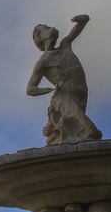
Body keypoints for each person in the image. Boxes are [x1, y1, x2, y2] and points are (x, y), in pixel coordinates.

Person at [26, 14, 102, 146]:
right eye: (45, 28)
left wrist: (81, 21)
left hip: (80, 93)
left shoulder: (65, 45)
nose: (50, 29)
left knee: (75, 133)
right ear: (40, 37)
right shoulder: (43, 61)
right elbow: (30, 89)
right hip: (64, 98)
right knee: (90, 132)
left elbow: (81, 24)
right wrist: (48, 90)